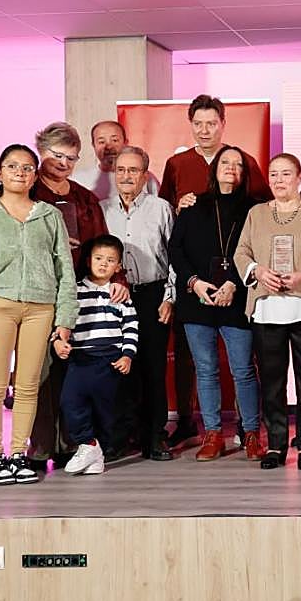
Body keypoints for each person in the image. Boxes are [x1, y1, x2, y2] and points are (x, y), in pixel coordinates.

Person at [0, 144, 77, 485]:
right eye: (12, 166)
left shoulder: (48, 215)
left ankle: (19, 454)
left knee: (28, 385)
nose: (19, 173)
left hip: (40, 309)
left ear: (35, 174)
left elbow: (64, 270)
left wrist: (65, 319)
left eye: (26, 167)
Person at [159, 94, 269, 451]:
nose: (231, 169)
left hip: (237, 295)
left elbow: (263, 234)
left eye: (237, 165)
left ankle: (250, 431)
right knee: (205, 369)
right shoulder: (191, 201)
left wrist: (236, 284)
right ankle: (211, 434)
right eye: (198, 123)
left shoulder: (252, 208)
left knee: (242, 369)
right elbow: (174, 246)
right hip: (197, 297)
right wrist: (193, 282)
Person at [235, 154, 301, 470]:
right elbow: (241, 253)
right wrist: (257, 271)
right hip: (267, 308)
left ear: (298, 177)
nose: (279, 180)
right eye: (274, 174)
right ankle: (276, 445)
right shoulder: (257, 214)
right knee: (272, 382)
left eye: (286, 174)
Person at [27, 121, 119, 468]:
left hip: (78, 297)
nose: (63, 163)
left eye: (71, 157)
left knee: (74, 373)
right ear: (41, 151)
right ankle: (40, 447)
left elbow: (101, 244)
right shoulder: (27, 190)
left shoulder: (84, 197)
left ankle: (73, 443)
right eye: (56, 155)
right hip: (35, 294)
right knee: (40, 371)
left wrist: (114, 278)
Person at [100, 146, 176, 462]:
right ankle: (121, 437)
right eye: (121, 170)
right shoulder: (102, 210)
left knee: (153, 368)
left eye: (133, 170)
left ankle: (155, 436)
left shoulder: (161, 209)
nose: (127, 176)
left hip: (152, 294)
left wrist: (170, 297)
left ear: (145, 175)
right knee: (118, 368)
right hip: (113, 298)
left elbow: (175, 257)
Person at [56, 235, 138, 476]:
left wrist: (127, 355)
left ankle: (97, 453)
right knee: (70, 401)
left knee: (105, 408)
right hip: (81, 358)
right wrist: (59, 343)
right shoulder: (75, 291)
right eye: (98, 258)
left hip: (109, 359)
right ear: (89, 260)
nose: (103, 264)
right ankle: (87, 443)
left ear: (119, 266)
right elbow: (62, 321)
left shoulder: (120, 294)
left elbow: (131, 326)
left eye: (110, 260)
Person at [72, 120, 160, 202]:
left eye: (115, 140)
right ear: (93, 145)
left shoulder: (145, 178)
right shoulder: (78, 180)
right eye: (101, 142)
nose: (109, 147)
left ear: (125, 142)